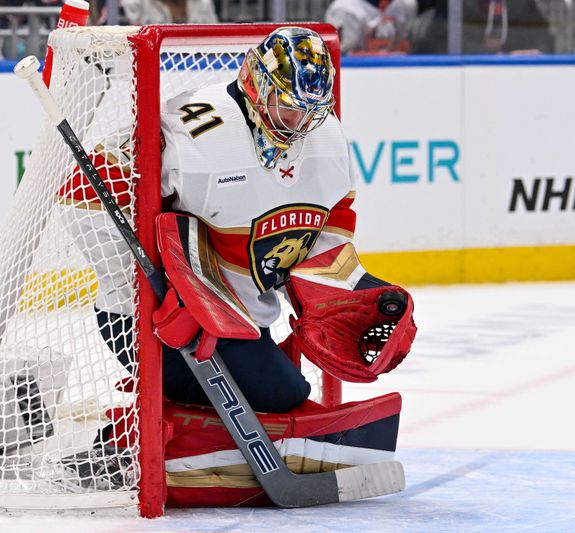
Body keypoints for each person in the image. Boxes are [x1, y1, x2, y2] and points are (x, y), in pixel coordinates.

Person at [59, 28, 416, 502]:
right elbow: (81, 195)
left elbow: (325, 232)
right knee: (281, 393)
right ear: (257, 82)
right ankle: (127, 449)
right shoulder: (193, 130)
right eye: (289, 105)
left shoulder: (325, 140)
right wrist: (148, 291)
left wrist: (347, 290)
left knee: (281, 387)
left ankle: (151, 442)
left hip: (239, 321)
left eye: (312, 110)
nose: (299, 122)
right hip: (150, 321)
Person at [414, 0, 554, 55]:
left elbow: (542, 38)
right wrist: (496, 55)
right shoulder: (453, 4)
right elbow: (441, 42)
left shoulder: (519, 4)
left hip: (511, 81)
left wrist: (533, 52)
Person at [325, 0, 420, 55]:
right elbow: (337, 61)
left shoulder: (407, 5)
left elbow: (410, 49)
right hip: (358, 77)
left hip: (403, 74)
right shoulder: (344, 10)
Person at [120, 0, 217, 25]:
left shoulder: (203, 3)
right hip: (151, 62)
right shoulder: (136, 3)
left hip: (199, 63)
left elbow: (216, 40)